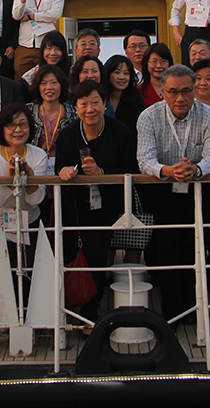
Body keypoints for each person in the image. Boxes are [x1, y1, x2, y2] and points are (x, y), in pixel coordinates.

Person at [135, 65, 210, 322]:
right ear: (163, 92)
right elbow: (144, 159)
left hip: (197, 188)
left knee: (194, 248)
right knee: (167, 250)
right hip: (163, 190)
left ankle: (193, 310)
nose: (180, 98)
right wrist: (168, 170)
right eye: (173, 92)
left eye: (186, 91)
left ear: (195, 90)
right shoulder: (149, 117)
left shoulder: (209, 115)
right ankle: (172, 313)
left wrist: (196, 169)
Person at [56, 81, 139, 322]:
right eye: (83, 104)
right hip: (75, 207)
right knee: (73, 255)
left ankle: (91, 312)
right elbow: (60, 166)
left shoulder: (120, 132)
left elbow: (131, 170)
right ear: (76, 107)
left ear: (105, 104)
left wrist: (102, 173)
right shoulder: (68, 135)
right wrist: (64, 171)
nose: (90, 109)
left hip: (108, 206)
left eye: (95, 102)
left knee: (97, 256)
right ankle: (74, 307)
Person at [0, 105, 47, 297]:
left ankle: (26, 310)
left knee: (28, 272)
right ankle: (1, 314)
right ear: (2, 129)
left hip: (28, 222)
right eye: (11, 125)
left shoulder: (38, 155)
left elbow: (36, 199)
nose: (18, 130)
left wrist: (30, 176)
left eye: (23, 124)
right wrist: (9, 178)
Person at [11, 0, 66, 78]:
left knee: (46, 78)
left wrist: (31, 16)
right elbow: (16, 16)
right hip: (25, 45)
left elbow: (55, 14)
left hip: (46, 46)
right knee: (21, 80)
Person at [26, 65, 74, 164]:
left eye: (54, 82)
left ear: (61, 86)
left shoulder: (74, 113)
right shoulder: (27, 112)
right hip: (32, 165)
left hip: (65, 166)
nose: (49, 87)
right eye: (44, 83)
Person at [102, 55, 144, 128]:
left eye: (126, 73)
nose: (122, 77)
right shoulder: (100, 97)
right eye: (117, 72)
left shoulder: (136, 101)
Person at [138, 42, 173, 108]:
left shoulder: (177, 89)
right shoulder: (139, 92)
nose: (159, 66)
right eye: (154, 61)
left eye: (163, 61)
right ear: (146, 63)